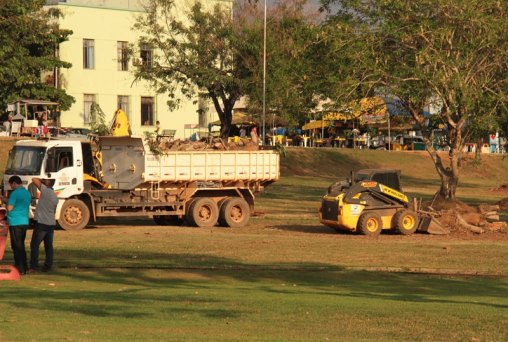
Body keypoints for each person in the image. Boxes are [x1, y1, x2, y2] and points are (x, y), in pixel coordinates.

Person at [2, 176, 32, 275]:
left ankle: (20, 267)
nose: (11, 186)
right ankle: (25, 266)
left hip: (15, 222)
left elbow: (10, 208)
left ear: (14, 183)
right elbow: (17, 203)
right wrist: (4, 199)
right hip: (24, 221)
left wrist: (6, 205)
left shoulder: (15, 193)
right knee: (21, 245)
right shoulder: (27, 193)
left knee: (17, 246)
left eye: (11, 184)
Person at [30, 178, 58, 273]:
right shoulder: (55, 197)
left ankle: (33, 266)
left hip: (41, 223)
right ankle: (48, 265)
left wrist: (42, 181)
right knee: (48, 246)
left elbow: (34, 179)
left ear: (47, 183)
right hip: (51, 223)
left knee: (34, 245)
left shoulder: (45, 191)